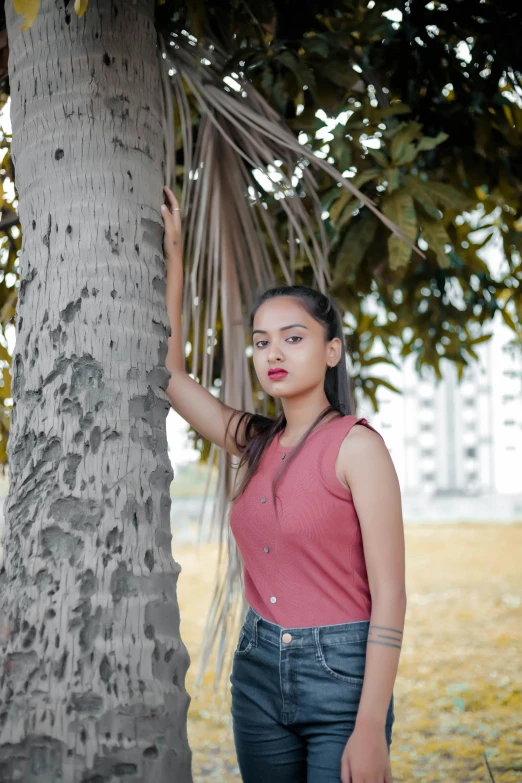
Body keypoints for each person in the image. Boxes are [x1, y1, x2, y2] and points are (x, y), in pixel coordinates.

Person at [161, 185, 406, 783]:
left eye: (294, 338)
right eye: (263, 341)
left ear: (331, 351)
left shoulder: (358, 446)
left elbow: (392, 594)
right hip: (257, 672)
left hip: (343, 675)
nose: (274, 352)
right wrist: (173, 254)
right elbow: (168, 375)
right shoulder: (252, 441)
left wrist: (370, 724)